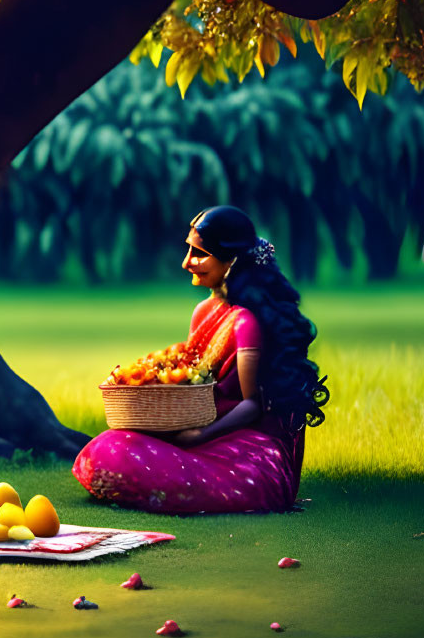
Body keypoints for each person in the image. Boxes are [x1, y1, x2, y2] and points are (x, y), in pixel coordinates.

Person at [73, 205, 330, 514]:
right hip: (198, 431)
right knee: (107, 446)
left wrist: (199, 436)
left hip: (245, 449)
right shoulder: (203, 312)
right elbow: (194, 379)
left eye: (199, 254)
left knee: (116, 457)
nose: (187, 263)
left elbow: (252, 405)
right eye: (188, 251)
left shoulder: (245, 321)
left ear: (231, 260)